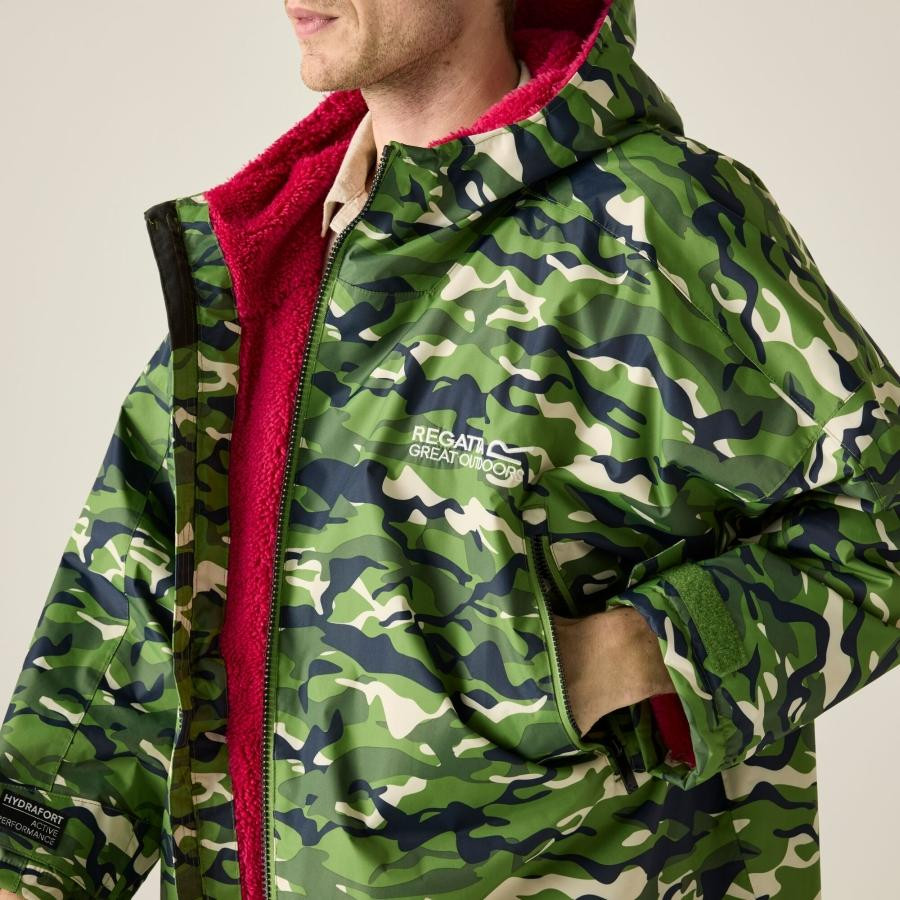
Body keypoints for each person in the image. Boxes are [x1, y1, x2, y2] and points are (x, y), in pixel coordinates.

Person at [0, 0, 897, 897]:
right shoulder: (267, 256)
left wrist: (638, 655)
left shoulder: (652, 220)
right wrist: (25, 858)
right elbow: (120, 632)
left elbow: (881, 515)